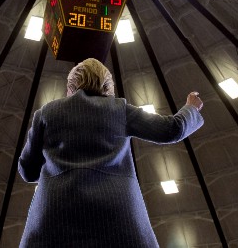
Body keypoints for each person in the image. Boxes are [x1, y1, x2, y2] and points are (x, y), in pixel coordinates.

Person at [18, 58, 204, 247]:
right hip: (117, 217)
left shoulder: (46, 113)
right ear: (107, 85)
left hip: (55, 217)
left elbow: (28, 171)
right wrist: (191, 108)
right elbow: (171, 130)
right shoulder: (120, 110)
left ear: (70, 87)